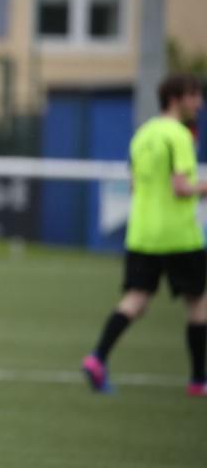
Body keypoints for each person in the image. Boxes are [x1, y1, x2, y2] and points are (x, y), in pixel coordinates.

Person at [82, 74, 207, 396]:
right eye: (195, 96)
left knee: (135, 300)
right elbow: (181, 187)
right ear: (177, 98)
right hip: (179, 235)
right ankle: (197, 381)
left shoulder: (142, 134)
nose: (200, 103)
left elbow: (136, 185)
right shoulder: (179, 135)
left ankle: (98, 357)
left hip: (141, 233)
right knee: (199, 305)